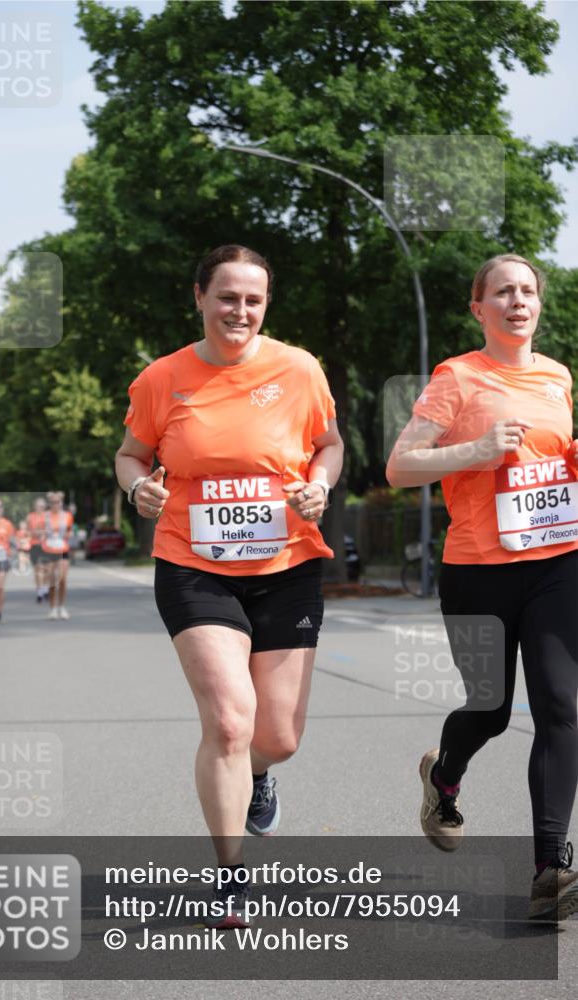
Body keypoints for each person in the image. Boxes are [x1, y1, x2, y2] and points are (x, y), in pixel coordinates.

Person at [115, 244, 343, 926]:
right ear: (199, 297)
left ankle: (260, 776)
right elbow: (130, 454)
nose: (238, 310)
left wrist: (320, 486)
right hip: (193, 564)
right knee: (227, 721)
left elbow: (329, 444)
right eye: (226, 296)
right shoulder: (163, 378)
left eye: (252, 299)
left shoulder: (299, 370)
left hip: (287, 566)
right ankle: (230, 875)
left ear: (265, 305)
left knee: (275, 737)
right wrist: (138, 491)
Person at [386, 254, 578, 921]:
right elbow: (399, 467)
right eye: (502, 292)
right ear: (478, 309)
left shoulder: (556, 376)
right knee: (490, 709)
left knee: (560, 707)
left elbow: (555, 460)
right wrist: (474, 451)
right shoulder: (456, 377)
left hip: (557, 560)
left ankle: (550, 868)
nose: (516, 300)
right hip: (476, 569)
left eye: (526, 290)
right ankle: (442, 779)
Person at [42, 491, 73, 620]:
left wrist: (68, 535)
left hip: (62, 549)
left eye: (58, 502)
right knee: (52, 580)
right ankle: (53, 608)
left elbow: (70, 531)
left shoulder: (67, 516)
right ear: (49, 504)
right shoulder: (45, 516)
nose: (55, 504)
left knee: (62, 579)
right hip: (49, 549)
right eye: (53, 502)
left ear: (61, 503)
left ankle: (62, 607)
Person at [27, 497, 49, 602]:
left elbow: (51, 530)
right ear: (34, 506)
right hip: (35, 545)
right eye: (38, 506)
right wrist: (35, 533)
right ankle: (39, 591)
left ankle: (45, 589)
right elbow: (28, 531)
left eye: (42, 506)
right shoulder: (30, 517)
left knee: (46, 569)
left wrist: (43, 533)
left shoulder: (48, 516)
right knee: (38, 569)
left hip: (47, 545)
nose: (40, 508)